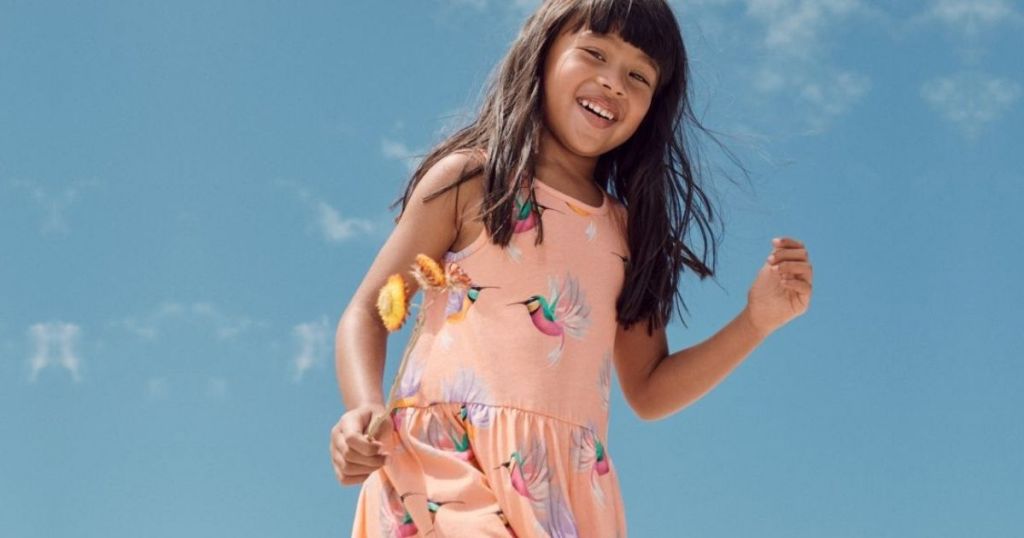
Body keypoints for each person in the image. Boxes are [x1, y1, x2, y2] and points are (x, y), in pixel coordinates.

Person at [331, 0, 814, 536]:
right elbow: (368, 311)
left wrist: (756, 322)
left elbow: (649, 389)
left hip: (566, 488)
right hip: (442, 469)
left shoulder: (629, 235)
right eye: (593, 53)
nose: (613, 83)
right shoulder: (471, 181)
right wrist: (364, 408)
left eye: (638, 75)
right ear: (542, 55)